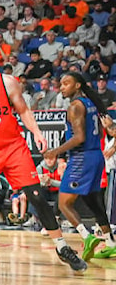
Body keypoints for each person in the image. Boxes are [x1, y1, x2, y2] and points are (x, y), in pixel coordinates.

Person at [0, 43, 86, 272]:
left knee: (36, 196)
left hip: (14, 147)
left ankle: (62, 246)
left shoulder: (6, 82)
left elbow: (23, 110)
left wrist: (37, 133)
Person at [42, 72, 116, 264]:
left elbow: (79, 137)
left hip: (82, 158)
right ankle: (109, 242)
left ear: (77, 86)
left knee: (64, 203)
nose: (61, 87)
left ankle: (87, 237)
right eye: (60, 84)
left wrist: (55, 152)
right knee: (93, 201)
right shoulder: (91, 103)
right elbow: (100, 132)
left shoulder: (75, 106)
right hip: (95, 156)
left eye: (66, 83)